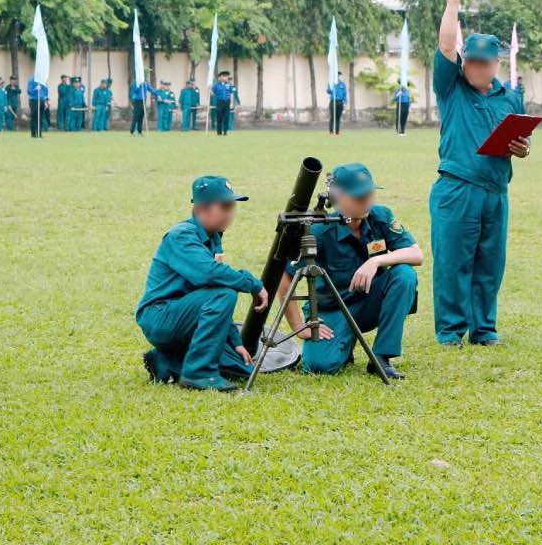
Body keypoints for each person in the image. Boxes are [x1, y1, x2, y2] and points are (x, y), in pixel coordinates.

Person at [430, 0, 531, 348]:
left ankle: (484, 328)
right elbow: (444, 46)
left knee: (490, 264)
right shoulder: (451, 88)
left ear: (495, 63)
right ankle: (451, 331)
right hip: (457, 189)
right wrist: (453, 2)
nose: (474, 68)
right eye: (470, 61)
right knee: (452, 263)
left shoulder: (510, 97)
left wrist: (522, 149)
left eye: (482, 63)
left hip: (495, 191)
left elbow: (520, 142)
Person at [275, 163, 421, 379]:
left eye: (369, 194)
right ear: (338, 197)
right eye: (358, 198)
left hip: (369, 302)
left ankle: (381, 357)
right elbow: (284, 276)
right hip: (333, 310)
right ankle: (344, 344)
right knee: (319, 366)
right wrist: (298, 325)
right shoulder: (319, 229)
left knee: (404, 274)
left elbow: (416, 254)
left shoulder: (380, 216)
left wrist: (376, 261)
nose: (366, 202)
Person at [136, 176, 267, 391]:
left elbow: (210, 288)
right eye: (224, 206)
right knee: (225, 294)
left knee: (242, 369)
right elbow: (209, 275)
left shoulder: (212, 236)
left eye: (232, 207)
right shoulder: (181, 236)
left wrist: (235, 342)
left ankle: (166, 361)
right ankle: (199, 374)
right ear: (203, 208)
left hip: (186, 315)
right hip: (161, 317)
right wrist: (253, 283)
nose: (230, 213)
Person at [210, 71, 233, 136]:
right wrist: (210, 89)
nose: (226, 77)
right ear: (220, 77)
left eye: (226, 76)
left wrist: (231, 103)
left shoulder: (228, 84)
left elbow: (231, 94)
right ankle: (219, 132)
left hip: (227, 102)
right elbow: (212, 93)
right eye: (224, 76)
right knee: (219, 117)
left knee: (226, 117)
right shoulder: (216, 84)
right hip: (219, 102)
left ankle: (225, 131)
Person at [327, 71, 347, 135]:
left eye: (338, 75)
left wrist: (345, 102)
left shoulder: (342, 84)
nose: (337, 77)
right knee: (332, 117)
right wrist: (332, 86)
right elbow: (328, 91)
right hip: (333, 101)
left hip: (340, 102)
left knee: (338, 117)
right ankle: (331, 132)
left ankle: (337, 132)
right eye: (336, 76)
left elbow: (345, 94)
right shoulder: (331, 83)